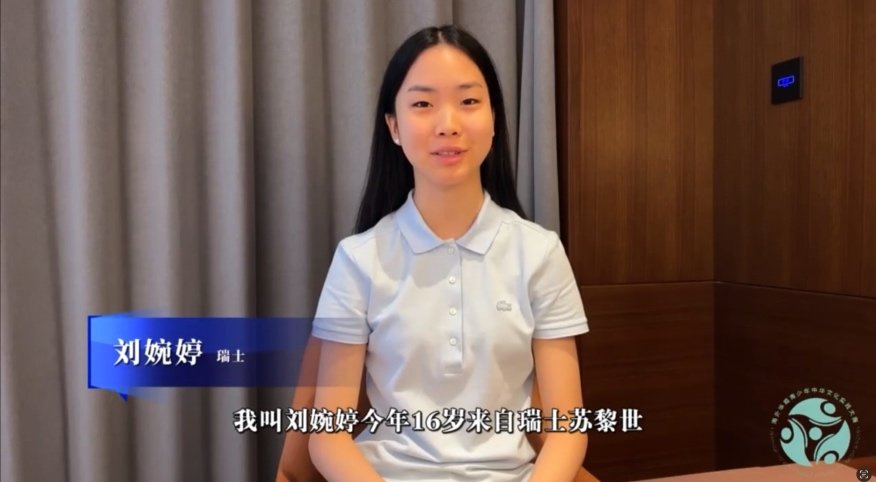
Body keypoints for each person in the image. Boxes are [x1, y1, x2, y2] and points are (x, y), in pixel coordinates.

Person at [307, 25, 589, 482]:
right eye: (422, 104)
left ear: (494, 119)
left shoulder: (539, 253)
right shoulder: (359, 259)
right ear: (393, 127)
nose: (448, 124)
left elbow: (567, 430)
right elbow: (327, 436)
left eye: (469, 101)